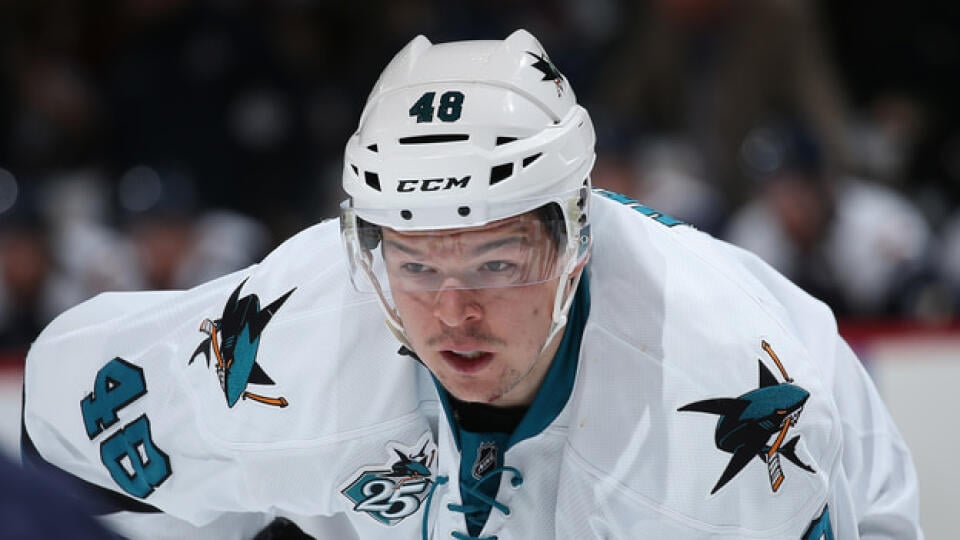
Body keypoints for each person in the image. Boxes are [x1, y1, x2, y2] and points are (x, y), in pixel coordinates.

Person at [21, 30, 923, 539]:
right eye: (414, 264)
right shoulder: (290, 335)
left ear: (573, 240)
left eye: (496, 263)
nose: (452, 311)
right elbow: (53, 428)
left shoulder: (725, 408)